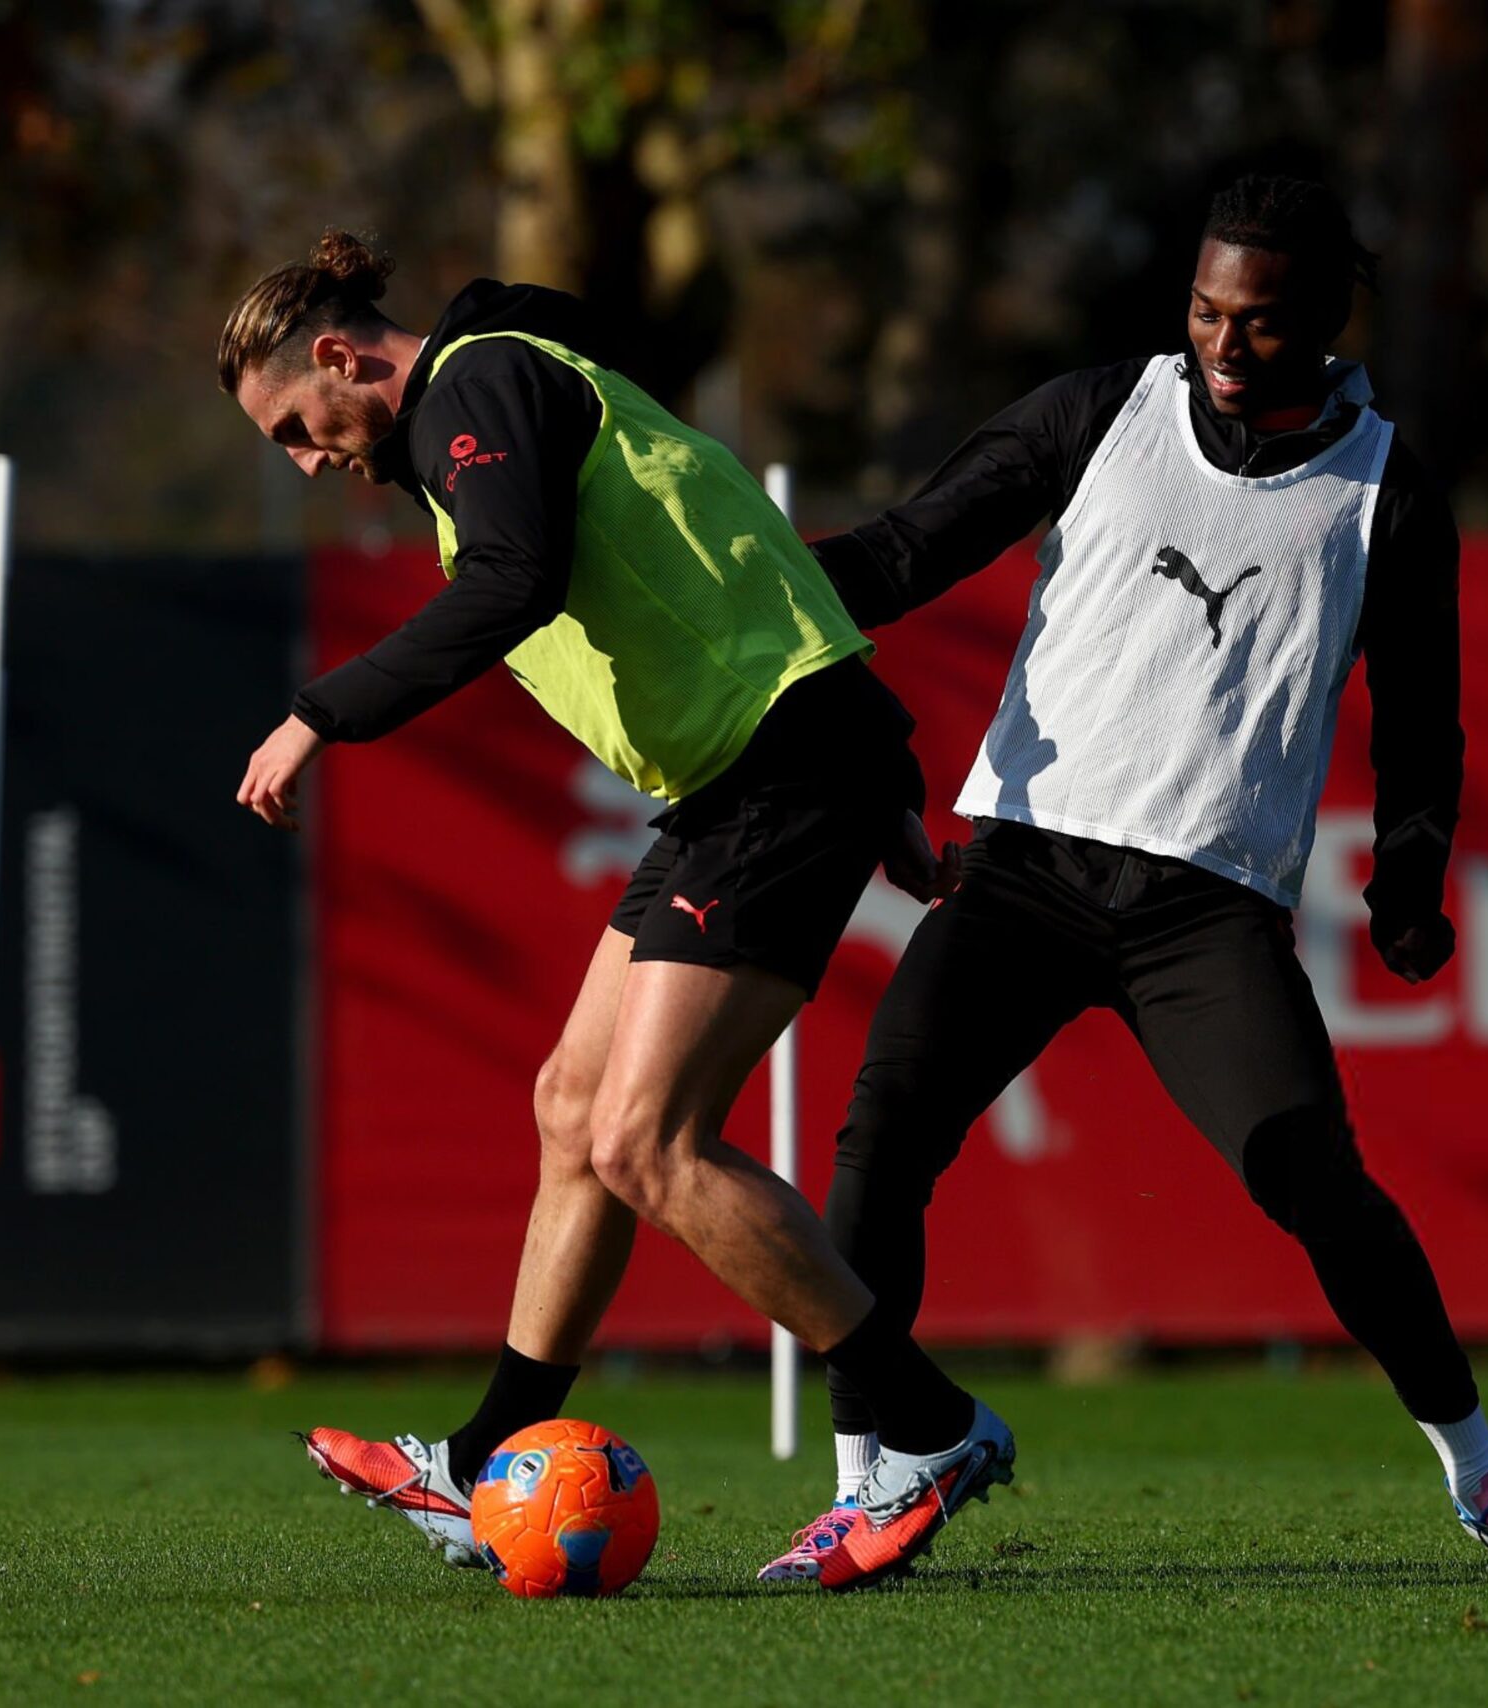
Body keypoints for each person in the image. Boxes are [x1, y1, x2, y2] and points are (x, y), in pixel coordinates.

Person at [761, 177, 1488, 1582]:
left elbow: (1422, 720)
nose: (1226, 345)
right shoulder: (1098, 413)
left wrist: (1410, 881)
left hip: (1201, 911)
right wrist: (748, 589)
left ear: (1328, 323)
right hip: (1023, 875)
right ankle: (873, 1482)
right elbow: (907, 549)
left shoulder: (1387, 490)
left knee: (1318, 1186)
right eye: (1206, 312)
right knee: (878, 1150)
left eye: (1262, 323)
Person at [216, 231, 1009, 1592]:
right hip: (749, 775)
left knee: (649, 1139)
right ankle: (491, 1458)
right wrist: (882, 771)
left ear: (343, 356)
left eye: (298, 424)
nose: (307, 459)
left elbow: (510, 583)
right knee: (574, 1113)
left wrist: (318, 713)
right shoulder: (504, 386)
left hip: (776, 771)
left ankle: (928, 1426)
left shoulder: (477, 385)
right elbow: (743, 559)